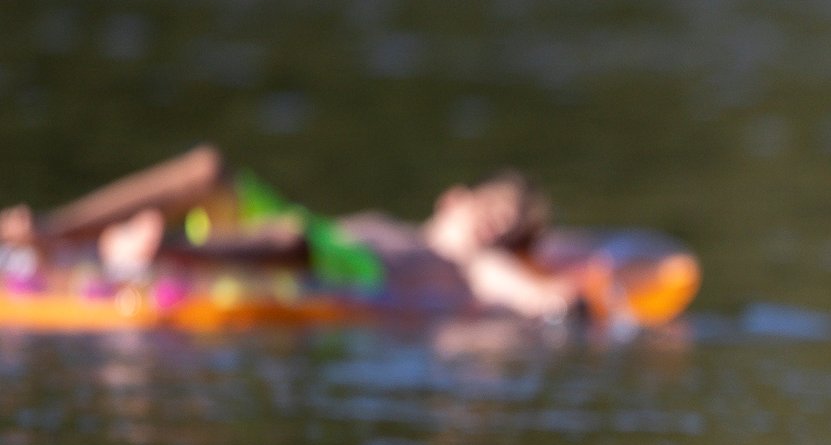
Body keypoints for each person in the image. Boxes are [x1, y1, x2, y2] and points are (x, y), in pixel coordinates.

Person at [1, 145, 594, 321]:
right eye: (494, 205)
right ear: (453, 199)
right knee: (210, 168)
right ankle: (54, 233)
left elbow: (521, 289)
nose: (497, 221)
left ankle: (161, 250)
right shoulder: (406, 226)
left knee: (298, 237)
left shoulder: (472, 266)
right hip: (305, 231)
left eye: (509, 226)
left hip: (346, 266)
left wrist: (555, 298)